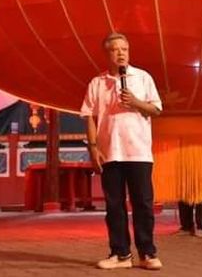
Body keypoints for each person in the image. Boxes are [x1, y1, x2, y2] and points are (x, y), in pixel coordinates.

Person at [82, 32, 163, 270]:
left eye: (124, 49)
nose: (121, 53)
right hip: (110, 152)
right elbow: (89, 116)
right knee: (114, 205)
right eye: (115, 50)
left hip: (138, 151)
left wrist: (136, 102)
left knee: (143, 204)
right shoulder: (97, 83)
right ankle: (120, 254)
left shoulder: (143, 77)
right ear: (107, 54)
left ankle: (147, 253)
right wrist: (93, 148)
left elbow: (156, 110)